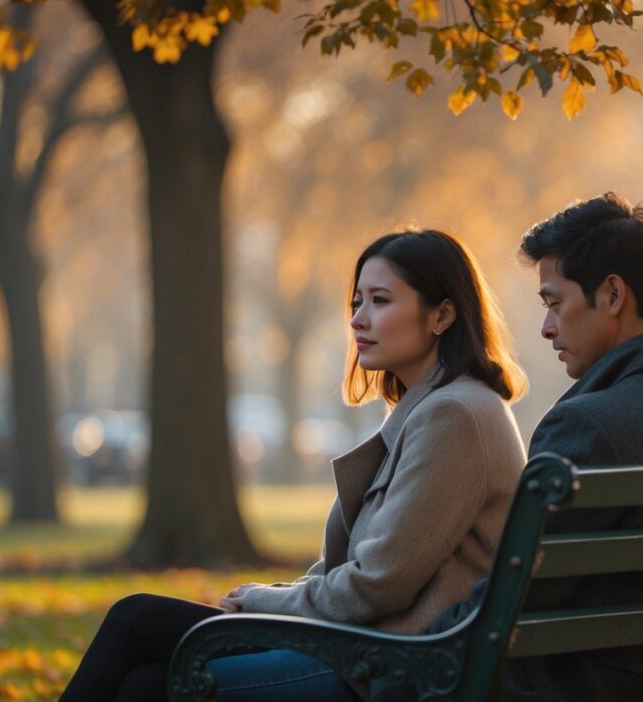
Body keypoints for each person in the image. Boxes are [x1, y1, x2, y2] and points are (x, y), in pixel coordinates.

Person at [59, 229, 527, 701]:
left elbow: (376, 587)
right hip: (372, 649)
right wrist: (274, 596)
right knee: (140, 652)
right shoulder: (440, 409)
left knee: (139, 635)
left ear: (442, 314)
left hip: (392, 666)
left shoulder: (456, 416)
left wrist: (261, 600)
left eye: (380, 301)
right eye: (356, 303)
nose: (359, 320)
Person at [416, 192, 643, 702]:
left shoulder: (587, 426)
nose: (546, 326)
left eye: (555, 302)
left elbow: (510, 609)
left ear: (613, 295)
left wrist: (418, 643)